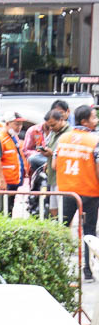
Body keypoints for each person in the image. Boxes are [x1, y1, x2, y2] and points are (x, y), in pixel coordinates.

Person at [53, 104, 99, 280]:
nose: (96, 120)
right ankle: (87, 271)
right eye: (93, 117)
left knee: (61, 229)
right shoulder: (94, 141)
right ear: (84, 121)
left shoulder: (63, 138)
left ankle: (56, 267)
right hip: (89, 194)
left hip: (67, 192)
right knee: (88, 233)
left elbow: (55, 165)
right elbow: (97, 170)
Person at [0, 110, 26, 215]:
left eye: (21, 124)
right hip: (3, 183)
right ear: (8, 124)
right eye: (17, 124)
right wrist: (1, 181)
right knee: (1, 210)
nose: (19, 127)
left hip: (13, 181)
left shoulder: (13, 137)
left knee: (9, 209)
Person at [25, 109, 67, 175]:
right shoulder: (33, 130)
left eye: (53, 125)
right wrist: (39, 153)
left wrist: (51, 154)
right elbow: (26, 150)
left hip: (53, 158)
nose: (51, 128)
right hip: (40, 157)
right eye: (49, 125)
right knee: (33, 159)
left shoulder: (58, 131)